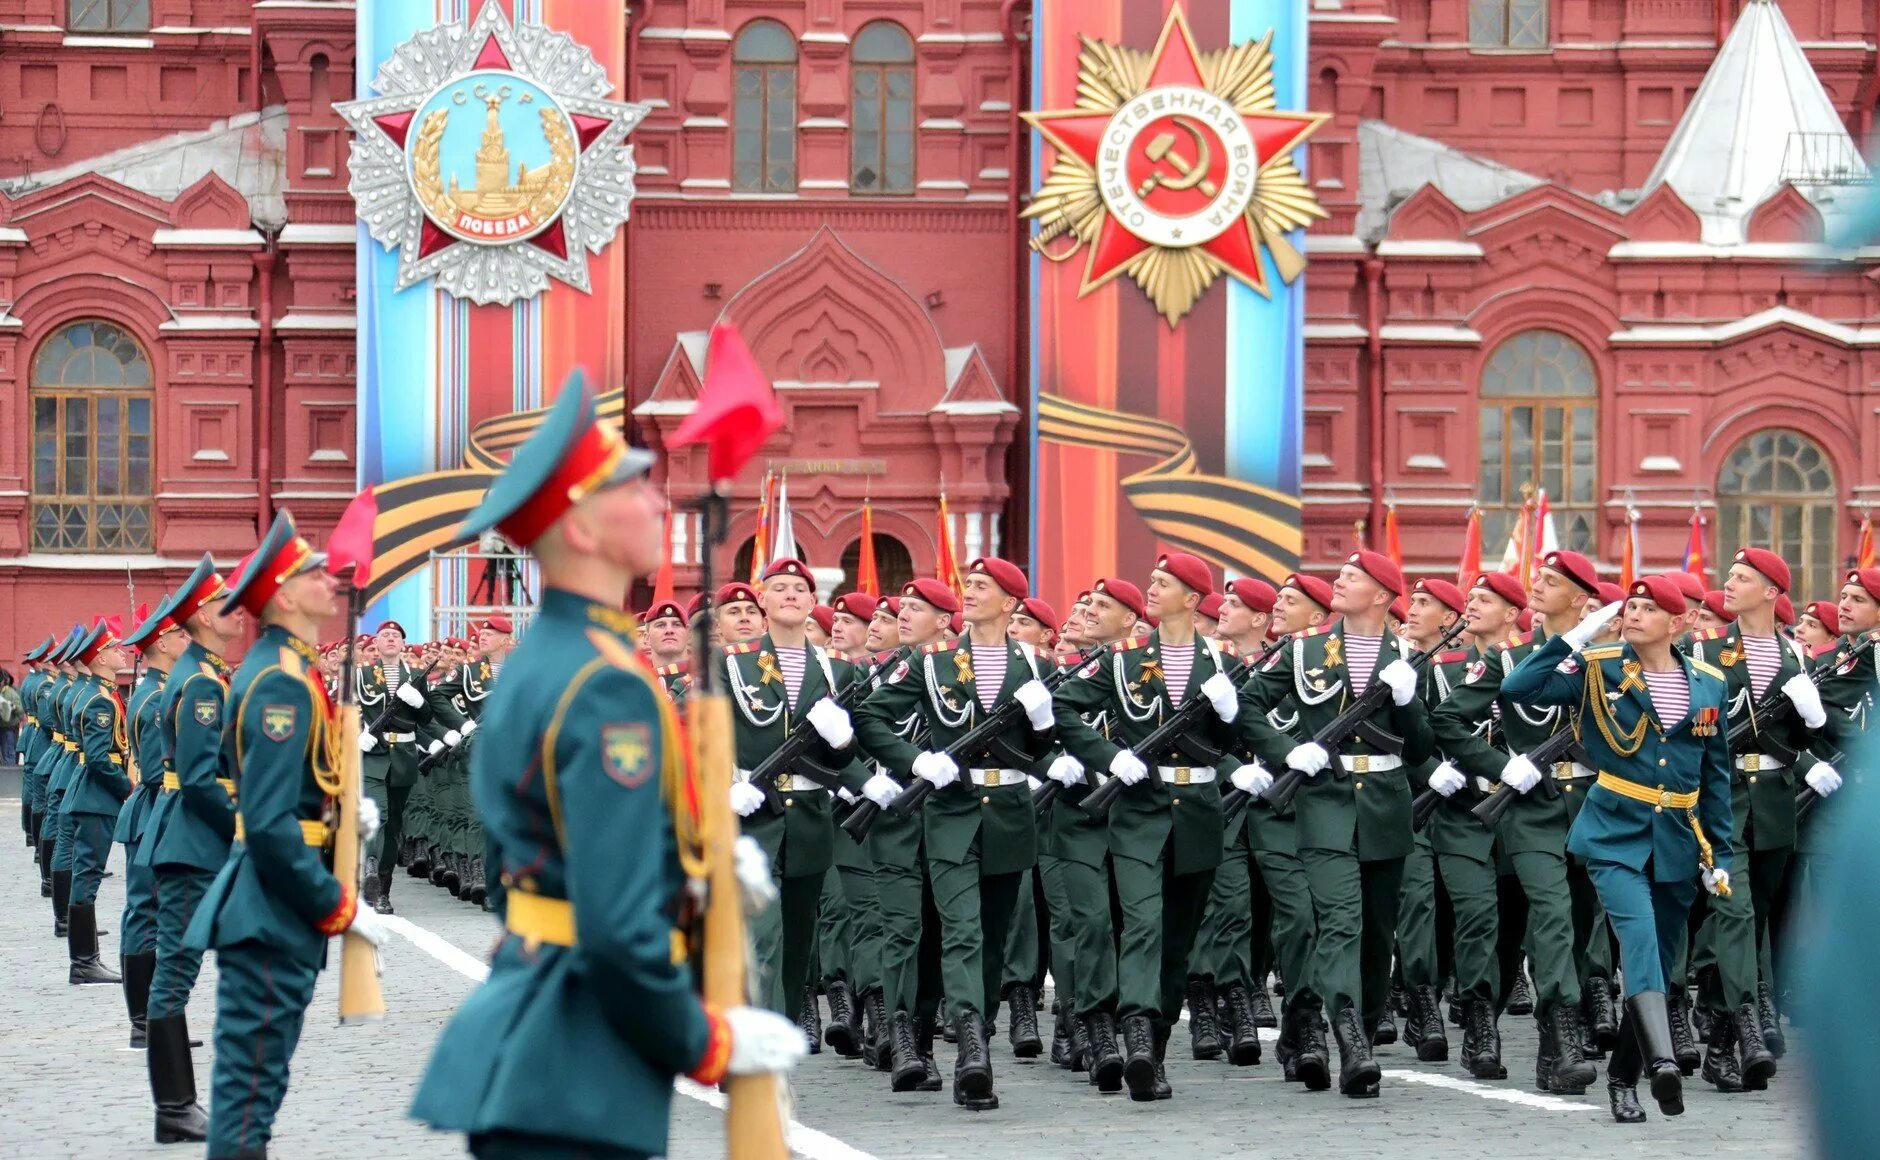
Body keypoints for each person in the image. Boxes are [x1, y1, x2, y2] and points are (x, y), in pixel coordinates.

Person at [409, 377, 803, 1157]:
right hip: (576, 1050)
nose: (659, 506)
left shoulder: (551, 660)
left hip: (545, 1015)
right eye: (632, 489)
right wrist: (708, 1043)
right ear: (582, 532)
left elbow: (535, 853)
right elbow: (617, 926)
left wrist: (691, 869)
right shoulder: (605, 685)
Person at [182, 511, 390, 1158]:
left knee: (255, 1095)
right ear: (280, 595)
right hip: (272, 913)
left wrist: (339, 813)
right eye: (310, 571)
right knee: (249, 1100)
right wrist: (337, 907)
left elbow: (289, 795)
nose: (328, 578)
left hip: (271, 909)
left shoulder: (287, 669)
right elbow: (270, 825)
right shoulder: (280, 681)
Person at [1501, 575, 1732, 1125]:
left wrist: (1719, 854)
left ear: (1676, 624)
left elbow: (1715, 774)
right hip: (1614, 832)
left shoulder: (1708, 683)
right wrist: (1577, 635)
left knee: (1661, 958)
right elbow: (1520, 689)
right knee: (1639, 941)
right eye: (1630, 606)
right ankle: (1662, 1062)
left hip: (1679, 835)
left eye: (1649, 609)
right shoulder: (1599, 666)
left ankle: (1624, 1079)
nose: (1634, 615)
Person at [854, 557, 1051, 1111]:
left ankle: (974, 1027)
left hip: (1010, 814)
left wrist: (1044, 726)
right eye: (970, 585)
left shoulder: (1036, 664)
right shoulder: (931, 661)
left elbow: (1048, 748)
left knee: (990, 937)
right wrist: (916, 760)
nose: (971, 593)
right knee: (961, 931)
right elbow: (870, 718)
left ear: (1011, 603)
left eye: (983, 587)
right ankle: (970, 1050)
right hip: (951, 814)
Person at [1240, 551, 1434, 1098]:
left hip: (1386, 807)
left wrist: (1409, 700)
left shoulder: (1409, 657)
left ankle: (1349, 1025)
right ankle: (1347, 1035)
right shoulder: (1304, 650)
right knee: (1340, 920)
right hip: (1324, 801)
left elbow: (1421, 748)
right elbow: (1249, 707)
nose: (1338, 582)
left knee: (1376, 934)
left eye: (1352, 578)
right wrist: (1285, 751)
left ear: (1380, 596)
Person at [1054, 552, 1237, 1102]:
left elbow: (1236, 741)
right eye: (1151, 580)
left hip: (1199, 812)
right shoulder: (1123, 656)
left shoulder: (1224, 662)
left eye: (1164, 584)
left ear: (1192, 598)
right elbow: (1064, 707)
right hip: (1138, 810)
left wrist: (1230, 716)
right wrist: (1109, 755)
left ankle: (1153, 1049)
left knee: (1178, 942)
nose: (1152, 590)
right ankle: (1134, 1031)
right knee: (1142, 925)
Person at [1684, 547, 1832, 1089]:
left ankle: (1722, 1045)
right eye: (1730, 575)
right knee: (1736, 913)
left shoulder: (1798, 657)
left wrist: (1811, 718)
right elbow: (1693, 727)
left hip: (1775, 805)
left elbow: (1813, 735)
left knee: (1757, 918)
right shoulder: (1705, 649)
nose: (1729, 583)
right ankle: (1746, 1024)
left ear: (1772, 592)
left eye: (1742, 578)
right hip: (1723, 800)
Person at [114, 602, 183, 1056]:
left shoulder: (154, 690)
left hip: (147, 809)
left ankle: (150, 1019)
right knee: (148, 913)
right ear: (159, 643)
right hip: (156, 809)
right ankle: (145, 1022)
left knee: (145, 911)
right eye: (179, 634)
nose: (186, 640)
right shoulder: (158, 697)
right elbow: (161, 772)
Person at [354, 619, 438, 912]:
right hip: (373, 754)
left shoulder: (415, 675)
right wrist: (358, 734)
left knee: (393, 827)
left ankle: (383, 890)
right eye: (385, 635)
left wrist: (418, 702)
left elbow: (427, 717)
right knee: (378, 815)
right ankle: (370, 868)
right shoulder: (361, 674)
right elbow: (346, 711)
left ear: (403, 644)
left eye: (396, 636)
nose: (390, 639)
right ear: (375, 643)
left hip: (402, 756)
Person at [0, 667, 22, 766]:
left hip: (9, 727)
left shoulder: (11, 693)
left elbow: (21, 710)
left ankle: (10, 773)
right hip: (2, 726)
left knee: (9, 752)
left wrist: (13, 706)